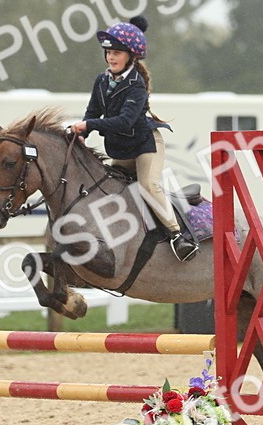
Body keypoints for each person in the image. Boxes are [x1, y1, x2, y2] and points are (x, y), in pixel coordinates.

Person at [70, 15, 197, 261]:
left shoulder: (136, 85)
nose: (111, 57)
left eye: (117, 53)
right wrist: (82, 134)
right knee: (106, 186)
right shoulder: (102, 80)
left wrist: (89, 125)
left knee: (148, 185)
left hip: (145, 146)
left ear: (131, 56)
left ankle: (177, 236)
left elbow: (124, 122)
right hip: (122, 150)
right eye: (108, 52)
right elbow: (92, 111)